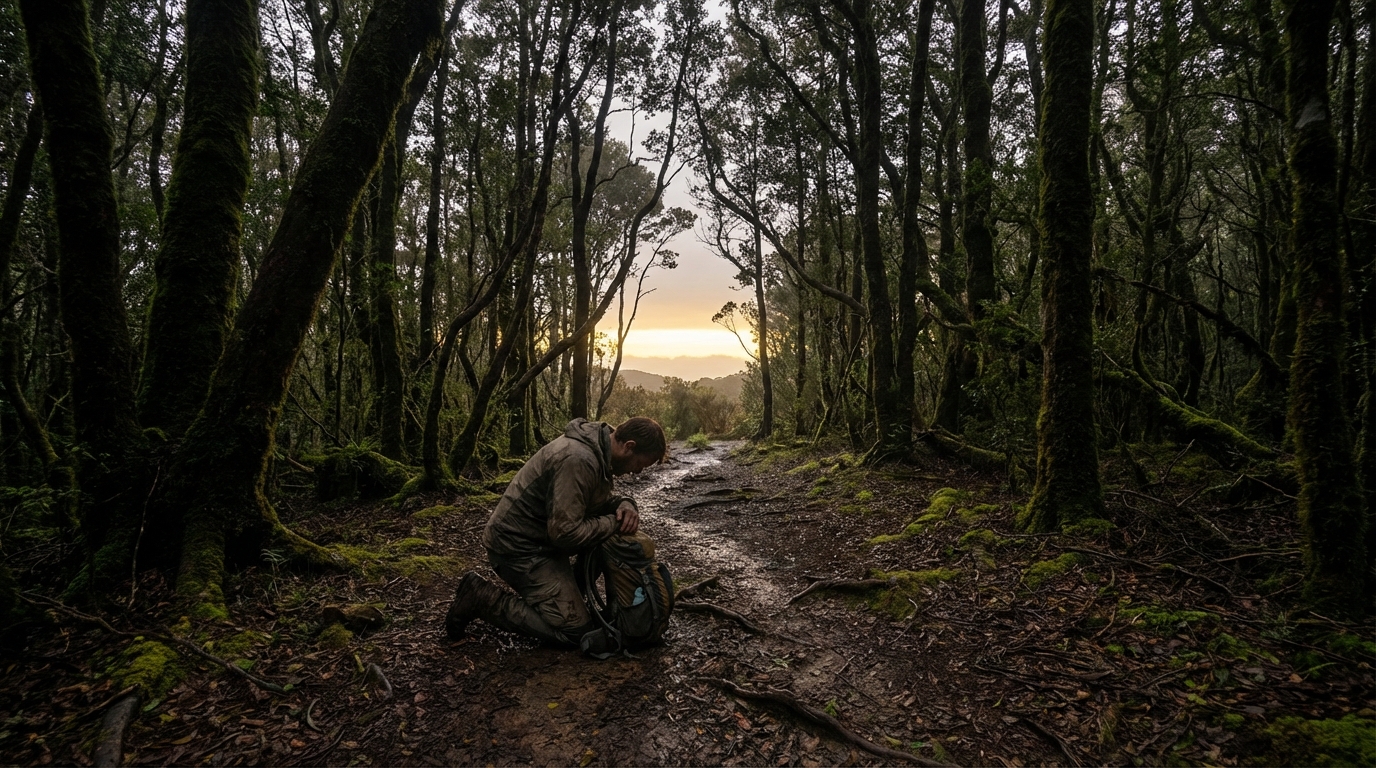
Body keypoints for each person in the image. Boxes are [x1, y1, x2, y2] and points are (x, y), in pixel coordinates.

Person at [444, 416, 667, 646]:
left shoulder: (599, 449)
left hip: (542, 542)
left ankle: (566, 597)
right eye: (640, 464)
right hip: (518, 549)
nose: (637, 472)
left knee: (605, 540)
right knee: (577, 632)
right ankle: (481, 598)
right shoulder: (578, 460)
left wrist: (626, 503)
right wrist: (613, 523)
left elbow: (593, 502)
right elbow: (565, 534)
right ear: (629, 446)